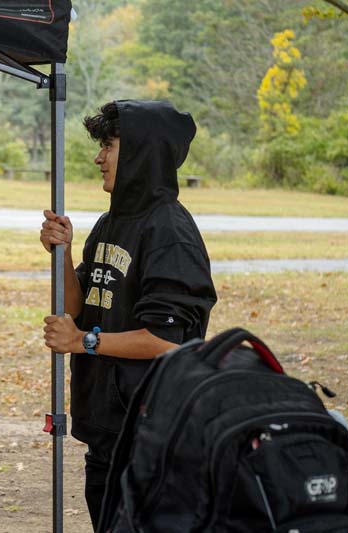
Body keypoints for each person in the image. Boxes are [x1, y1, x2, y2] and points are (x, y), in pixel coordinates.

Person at [40, 100, 217, 531]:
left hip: (149, 439)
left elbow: (168, 341)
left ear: (140, 152)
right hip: (107, 431)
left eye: (110, 146)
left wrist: (84, 341)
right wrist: (61, 252)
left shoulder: (170, 232)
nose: (99, 157)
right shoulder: (110, 223)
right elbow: (78, 306)